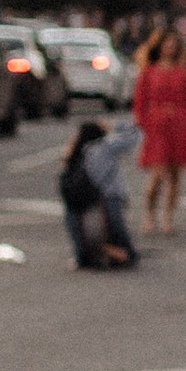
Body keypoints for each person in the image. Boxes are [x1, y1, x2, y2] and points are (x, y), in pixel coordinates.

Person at [135, 26, 186, 236]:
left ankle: (168, 218)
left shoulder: (183, 73)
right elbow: (140, 103)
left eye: (173, 43)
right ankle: (149, 215)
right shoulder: (149, 72)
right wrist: (145, 123)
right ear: (159, 45)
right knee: (157, 174)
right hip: (157, 127)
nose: (170, 46)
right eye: (166, 42)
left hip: (178, 126)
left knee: (175, 176)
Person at [59, 114, 139, 269]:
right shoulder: (100, 148)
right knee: (113, 226)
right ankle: (123, 252)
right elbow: (133, 135)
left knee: (81, 224)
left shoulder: (83, 151)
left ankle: (86, 255)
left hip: (93, 198)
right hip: (102, 196)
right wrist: (114, 126)